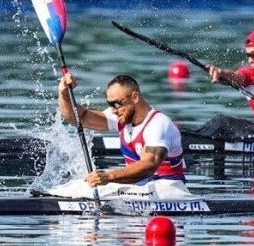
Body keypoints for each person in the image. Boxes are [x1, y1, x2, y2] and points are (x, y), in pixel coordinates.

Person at [58, 72, 186, 189]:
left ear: (135, 97)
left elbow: (149, 166)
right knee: (79, 186)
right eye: (110, 104)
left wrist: (108, 177)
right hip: (140, 189)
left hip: (168, 189)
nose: (113, 110)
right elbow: (80, 118)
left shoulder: (158, 124)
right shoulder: (120, 118)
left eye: (117, 104)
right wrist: (64, 94)